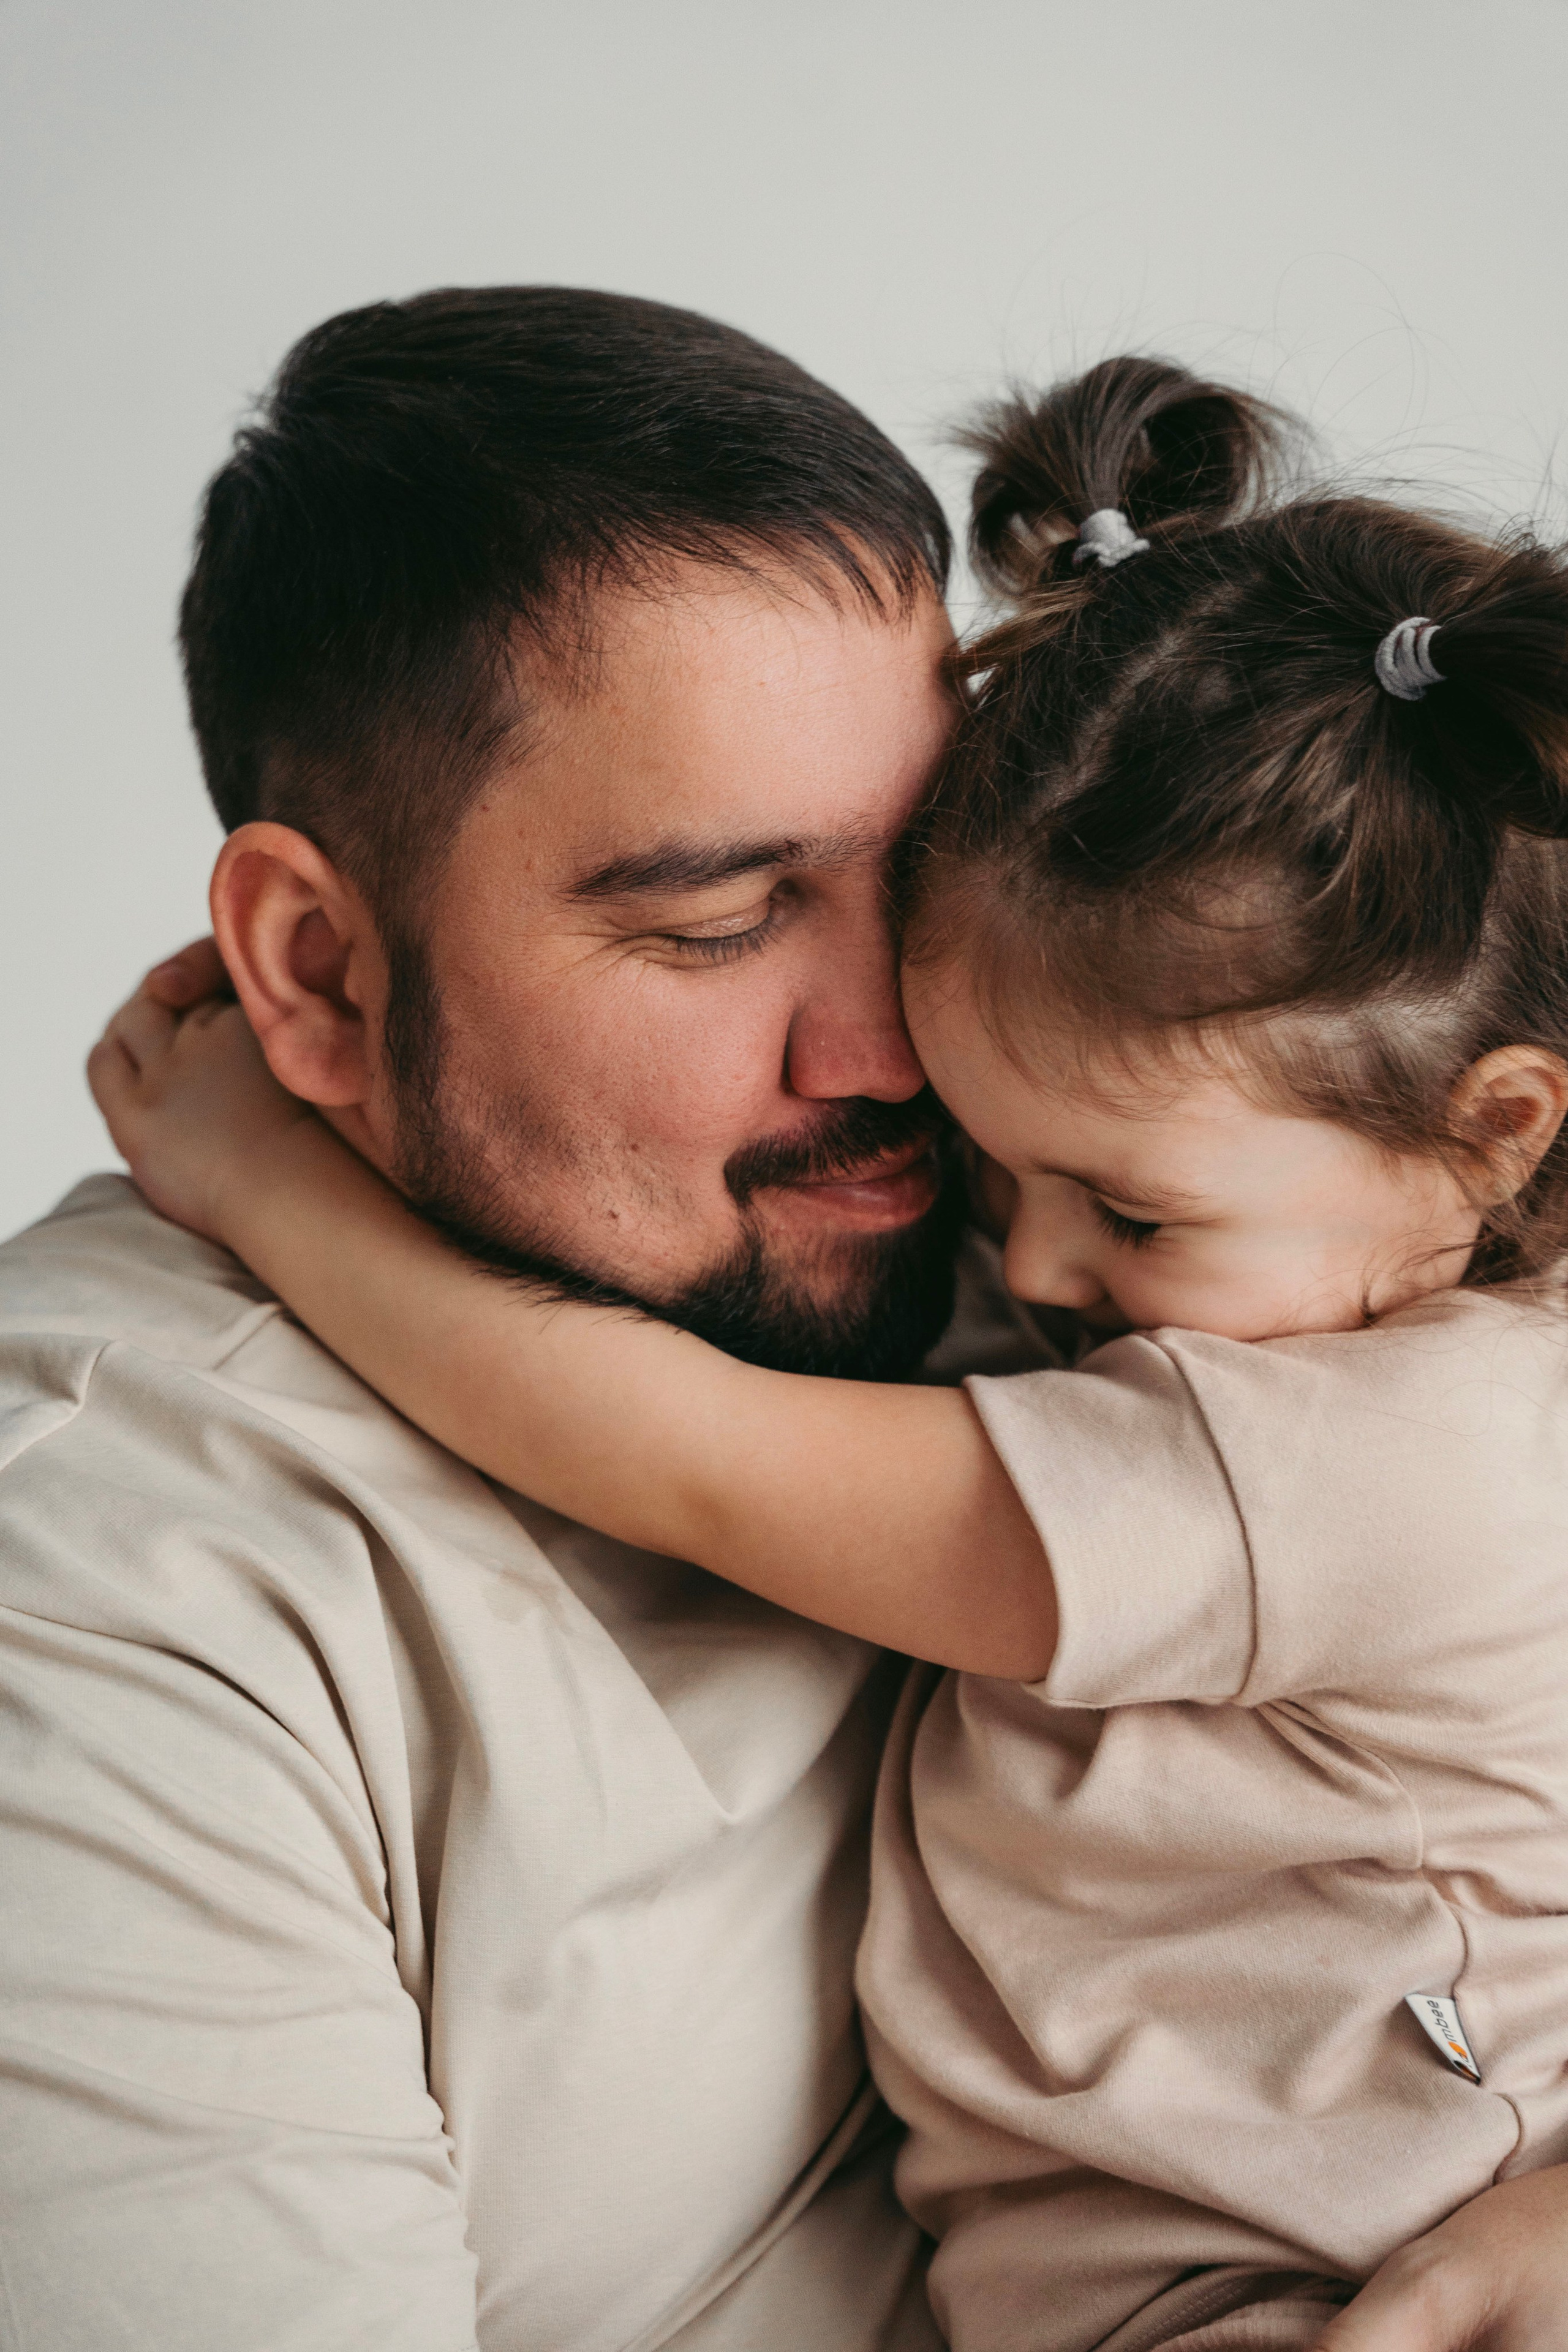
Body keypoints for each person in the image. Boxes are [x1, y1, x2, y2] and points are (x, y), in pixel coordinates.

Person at [88, 356, 1568, 2352]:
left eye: (895, 884)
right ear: (315, 966)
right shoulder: (115, 1605)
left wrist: (269, 1182)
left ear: (1495, 1140)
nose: (898, 1083)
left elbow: (692, 1458)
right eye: (719, 913)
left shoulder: (1335, 1405)